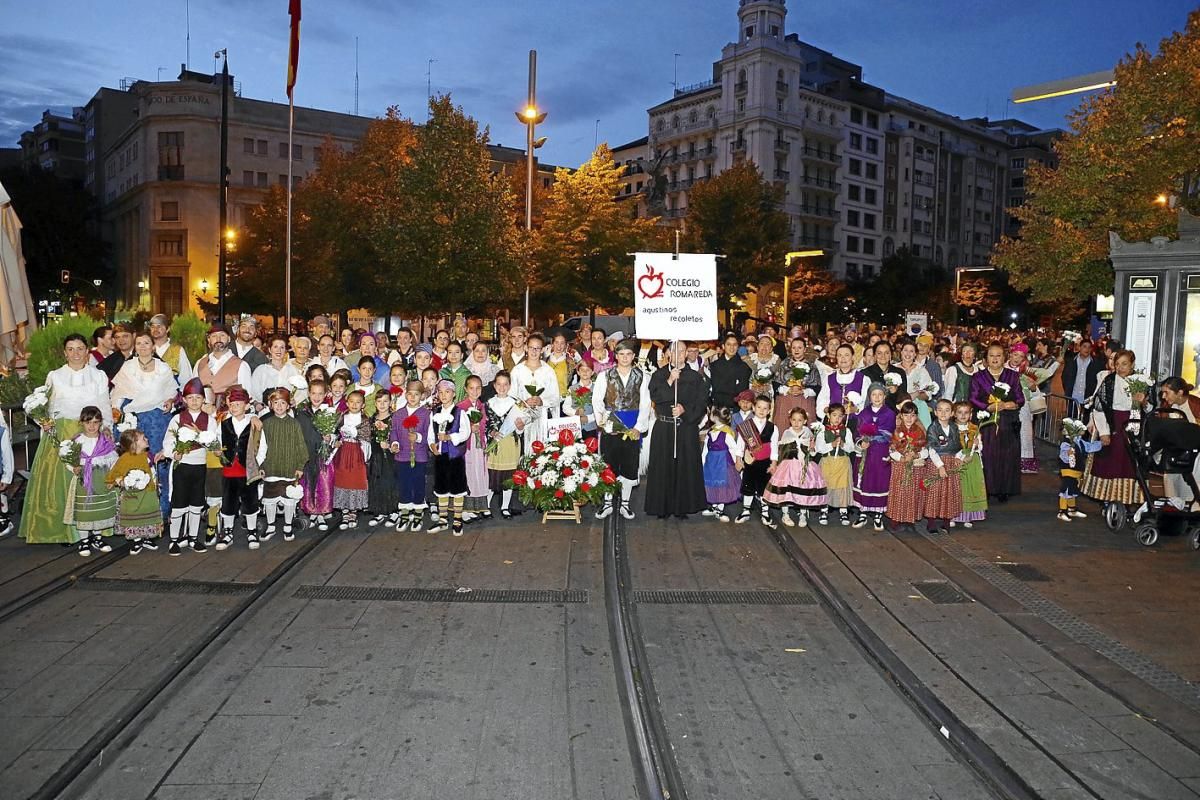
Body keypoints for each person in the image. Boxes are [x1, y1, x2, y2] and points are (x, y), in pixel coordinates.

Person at [20, 333, 113, 546]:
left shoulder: (98, 375)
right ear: (64, 352)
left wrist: (106, 429)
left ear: (87, 351)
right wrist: (43, 422)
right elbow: (47, 406)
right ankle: (66, 532)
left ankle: (95, 531)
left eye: (80, 348)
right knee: (62, 482)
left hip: (91, 431)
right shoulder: (55, 376)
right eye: (71, 349)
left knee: (91, 481)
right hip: (63, 434)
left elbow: (104, 403)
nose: (76, 353)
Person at [110, 331, 180, 519]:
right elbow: (118, 393)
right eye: (139, 343)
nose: (142, 346)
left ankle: (161, 510)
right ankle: (134, 512)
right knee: (134, 462)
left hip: (157, 422)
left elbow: (171, 392)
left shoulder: (163, 368)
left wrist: (170, 401)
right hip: (134, 421)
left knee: (158, 462)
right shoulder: (128, 367)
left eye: (146, 343)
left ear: (153, 346)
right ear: (135, 346)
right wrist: (116, 410)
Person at [643, 341, 708, 518]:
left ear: (687, 353)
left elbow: (702, 403)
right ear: (668, 354)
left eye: (682, 350)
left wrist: (684, 410)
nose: (678, 353)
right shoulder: (659, 375)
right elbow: (656, 396)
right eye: (674, 350)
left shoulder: (695, 377)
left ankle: (682, 507)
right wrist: (670, 380)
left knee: (684, 468)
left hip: (686, 427)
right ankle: (662, 507)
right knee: (662, 467)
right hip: (664, 427)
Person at [593, 339, 651, 519]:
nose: (625, 358)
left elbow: (645, 404)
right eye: (621, 354)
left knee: (628, 464)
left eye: (628, 354)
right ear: (615, 356)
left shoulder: (642, 376)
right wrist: (602, 422)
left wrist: (638, 428)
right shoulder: (605, 376)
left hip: (632, 424)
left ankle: (625, 504)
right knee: (609, 464)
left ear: (633, 356)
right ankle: (608, 502)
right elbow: (597, 400)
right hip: (611, 423)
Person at [162, 377, 219, 555]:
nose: (195, 401)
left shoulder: (209, 420)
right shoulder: (177, 419)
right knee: (179, 503)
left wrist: (202, 436)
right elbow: (169, 439)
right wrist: (173, 452)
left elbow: (214, 441)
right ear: (184, 400)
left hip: (199, 464)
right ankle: (174, 540)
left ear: (204, 400)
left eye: (198, 398)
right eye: (191, 398)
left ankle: (194, 538)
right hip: (182, 465)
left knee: (196, 503)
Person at [1080, 349, 1143, 507]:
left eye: (1124, 364)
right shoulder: (1108, 381)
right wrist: (1104, 432)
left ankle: (1127, 499)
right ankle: (1108, 499)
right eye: (1117, 364)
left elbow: (1150, 407)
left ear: (1132, 364)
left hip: (1133, 425)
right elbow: (1099, 407)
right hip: (1113, 422)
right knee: (1111, 462)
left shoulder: (1140, 381)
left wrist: (1144, 402)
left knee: (1129, 463)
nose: (1121, 367)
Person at [970, 344, 1025, 502]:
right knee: (987, 455)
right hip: (987, 421)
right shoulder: (978, 377)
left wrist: (1009, 404)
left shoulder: (1012, 376)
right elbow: (973, 398)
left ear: (1004, 358)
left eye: (998, 355)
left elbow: (1020, 398)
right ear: (986, 358)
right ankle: (986, 489)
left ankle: (1004, 489)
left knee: (1007, 455)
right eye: (991, 355)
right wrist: (989, 407)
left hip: (1008, 421)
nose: (995, 359)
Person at [64, 405, 120, 556]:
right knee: (84, 511)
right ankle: (84, 541)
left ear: (100, 423)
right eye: (88, 422)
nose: (92, 426)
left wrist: (113, 477)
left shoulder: (104, 441)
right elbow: (67, 458)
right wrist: (73, 468)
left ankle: (97, 537)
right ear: (81, 422)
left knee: (99, 509)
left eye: (96, 422)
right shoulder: (76, 441)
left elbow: (113, 459)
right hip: (83, 480)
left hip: (101, 478)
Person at [258, 387, 308, 541]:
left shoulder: (294, 424)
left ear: (288, 405)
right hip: (271, 468)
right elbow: (262, 447)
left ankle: (287, 525)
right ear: (270, 405)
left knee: (289, 499)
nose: (279, 406)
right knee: (270, 500)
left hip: (289, 467)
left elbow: (301, 445)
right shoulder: (266, 424)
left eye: (282, 403)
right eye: (275, 403)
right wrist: (260, 466)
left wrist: (300, 466)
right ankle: (271, 526)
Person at [217, 385, 263, 549]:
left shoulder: (254, 423)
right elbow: (218, 441)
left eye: (237, 404)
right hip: (229, 469)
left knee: (250, 501)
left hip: (247, 470)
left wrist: (257, 463)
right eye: (231, 404)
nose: (234, 407)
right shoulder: (223, 423)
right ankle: (227, 532)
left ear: (246, 405)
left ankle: (252, 531)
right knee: (228, 502)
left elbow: (261, 445)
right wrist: (218, 453)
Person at [764, 407, 826, 527]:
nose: (796, 423)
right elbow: (782, 450)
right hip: (789, 467)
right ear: (790, 420)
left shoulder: (808, 433)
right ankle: (785, 513)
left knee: (803, 489)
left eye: (799, 420)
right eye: (794, 420)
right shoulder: (787, 433)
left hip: (804, 466)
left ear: (805, 421)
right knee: (787, 490)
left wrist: (812, 447)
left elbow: (812, 453)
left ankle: (803, 513)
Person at [105, 428, 161, 553]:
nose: (146, 439)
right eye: (143, 438)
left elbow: (152, 469)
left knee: (147, 512)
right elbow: (115, 472)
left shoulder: (147, 456)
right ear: (134, 444)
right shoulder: (124, 459)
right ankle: (137, 540)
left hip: (147, 493)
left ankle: (146, 537)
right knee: (134, 516)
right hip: (132, 495)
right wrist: (116, 481)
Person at [428, 379, 471, 535]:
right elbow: (430, 433)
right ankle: (443, 519)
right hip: (440, 457)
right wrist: (432, 445)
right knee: (441, 486)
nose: (443, 395)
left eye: (447, 392)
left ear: (453, 394)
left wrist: (450, 437)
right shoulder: (434, 413)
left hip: (455, 457)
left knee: (457, 486)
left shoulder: (460, 413)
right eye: (440, 392)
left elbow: (465, 433)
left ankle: (458, 519)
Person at [851, 382, 895, 531]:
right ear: (869, 397)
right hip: (866, 453)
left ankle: (878, 515)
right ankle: (862, 512)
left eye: (880, 394)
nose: (877, 397)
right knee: (863, 480)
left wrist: (874, 435)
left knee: (879, 480)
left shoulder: (889, 414)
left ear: (884, 397)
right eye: (874, 394)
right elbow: (857, 432)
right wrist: (862, 442)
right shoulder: (864, 413)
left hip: (880, 452)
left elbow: (889, 434)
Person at [510, 333, 561, 455]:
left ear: (542, 350)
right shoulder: (517, 370)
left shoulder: (548, 371)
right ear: (526, 348)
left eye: (537, 348)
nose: (534, 351)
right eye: (531, 347)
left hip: (542, 418)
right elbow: (511, 396)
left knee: (542, 454)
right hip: (523, 418)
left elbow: (555, 397)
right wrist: (523, 403)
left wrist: (542, 401)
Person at [734, 395, 779, 528]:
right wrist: (738, 460)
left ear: (769, 411)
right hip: (750, 461)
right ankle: (746, 510)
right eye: (759, 407)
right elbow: (740, 445)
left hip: (765, 462)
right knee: (748, 485)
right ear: (753, 407)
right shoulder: (745, 426)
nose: (761, 410)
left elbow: (775, 446)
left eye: (765, 408)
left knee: (764, 488)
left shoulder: (773, 427)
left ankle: (765, 512)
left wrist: (774, 463)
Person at [485, 371, 525, 519]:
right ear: (494, 386)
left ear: (509, 386)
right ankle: (486, 506)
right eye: (499, 384)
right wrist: (491, 432)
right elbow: (485, 424)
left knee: (509, 477)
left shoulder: (516, 404)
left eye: (505, 384)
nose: (502, 387)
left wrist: (520, 426)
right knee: (492, 476)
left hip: (511, 444)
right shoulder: (488, 403)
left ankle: (505, 507)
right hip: (495, 446)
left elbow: (521, 430)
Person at [297, 380, 337, 531]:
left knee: (322, 484)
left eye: (320, 393)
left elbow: (337, 433)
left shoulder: (329, 412)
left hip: (323, 456)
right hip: (307, 453)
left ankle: (320, 513)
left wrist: (330, 438)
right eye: (313, 393)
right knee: (308, 484)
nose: (316, 396)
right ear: (308, 393)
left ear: (326, 394)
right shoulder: (302, 412)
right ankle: (311, 512)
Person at [923, 399, 963, 534]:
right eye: (940, 410)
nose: (943, 413)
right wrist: (940, 466)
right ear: (935, 412)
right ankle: (931, 522)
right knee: (935, 492)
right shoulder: (933, 428)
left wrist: (958, 458)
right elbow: (931, 449)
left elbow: (959, 446)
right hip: (936, 463)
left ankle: (946, 521)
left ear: (952, 413)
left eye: (947, 410)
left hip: (951, 462)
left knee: (949, 492)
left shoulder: (954, 427)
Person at [885, 401, 927, 531]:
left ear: (916, 417)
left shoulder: (920, 431)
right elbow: (892, 450)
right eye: (906, 415)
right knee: (899, 492)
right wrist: (902, 457)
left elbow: (926, 449)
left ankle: (910, 519)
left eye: (913, 415)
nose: (909, 418)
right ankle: (896, 518)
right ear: (901, 416)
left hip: (915, 466)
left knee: (912, 493)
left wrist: (916, 455)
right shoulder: (897, 431)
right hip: (900, 466)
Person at [333, 390, 372, 529]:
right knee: (342, 479)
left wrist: (357, 434)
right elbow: (334, 432)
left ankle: (353, 512)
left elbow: (367, 435)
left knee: (356, 480)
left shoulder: (365, 420)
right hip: (343, 452)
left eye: (358, 402)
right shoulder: (342, 417)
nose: (354, 404)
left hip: (357, 453)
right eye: (352, 401)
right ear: (347, 403)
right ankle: (344, 513)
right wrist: (335, 441)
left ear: (363, 405)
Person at [194, 325, 253, 412]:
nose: (218, 339)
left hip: (228, 419)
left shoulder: (241, 365)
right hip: (203, 417)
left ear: (229, 339)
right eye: (214, 336)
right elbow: (193, 393)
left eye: (222, 335)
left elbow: (247, 399)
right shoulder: (200, 363)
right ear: (209, 340)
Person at [815, 403, 855, 526]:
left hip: (842, 462)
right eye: (834, 415)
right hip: (827, 461)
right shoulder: (822, 431)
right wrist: (831, 445)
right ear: (828, 415)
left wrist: (843, 444)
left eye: (840, 416)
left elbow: (851, 448)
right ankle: (824, 509)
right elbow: (819, 448)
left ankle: (843, 511)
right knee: (826, 485)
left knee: (842, 487)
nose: (837, 418)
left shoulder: (846, 430)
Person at [457, 376, 491, 522]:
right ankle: (465, 509)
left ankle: (477, 507)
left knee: (479, 473)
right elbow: (456, 427)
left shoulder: (482, 406)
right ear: (466, 389)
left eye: (478, 388)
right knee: (467, 473)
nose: (475, 391)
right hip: (467, 446)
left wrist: (480, 428)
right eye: (471, 388)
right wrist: (469, 428)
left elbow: (485, 424)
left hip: (479, 445)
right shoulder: (460, 406)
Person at [701, 405, 743, 521]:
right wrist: (703, 461)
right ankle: (714, 506)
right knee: (713, 484)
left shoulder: (726, 433)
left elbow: (733, 448)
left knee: (723, 486)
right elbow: (705, 449)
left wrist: (736, 462)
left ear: (714, 416)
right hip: (711, 463)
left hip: (723, 464)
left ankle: (720, 508)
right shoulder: (711, 431)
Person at [951, 401, 987, 529]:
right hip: (958, 459)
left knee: (971, 487)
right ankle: (953, 515)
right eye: (960, 412)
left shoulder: (974, 428)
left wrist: (977, 444)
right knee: (958, 487)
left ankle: (968, 516)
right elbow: (951, 446)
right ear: (954, 414)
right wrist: (960, 456)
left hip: (972, 462)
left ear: (971, 415)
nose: (963, 415)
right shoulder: (952, 428)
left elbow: (980, 448)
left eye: (966, 413)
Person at [1058, 418, 1101, 522]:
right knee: (1066, 490)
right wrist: (1068, 454)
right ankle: (1062, 511)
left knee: (1072, 490)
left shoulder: (1080, 442)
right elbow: (1063, 455)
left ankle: (1071, 509)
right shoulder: (1066, 443)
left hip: (1077, 472)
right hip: (1068, 471)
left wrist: (1101, 444)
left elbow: (1089, 447)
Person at [774, 338, 820, 429]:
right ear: (790, 349)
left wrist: (803, 391)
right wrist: (788, 390)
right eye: (794, 348)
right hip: (785, 401)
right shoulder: (783, 364)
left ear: (805, 349)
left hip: (805, 401)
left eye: (799, 347)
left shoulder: (811, 366)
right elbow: (776, 384)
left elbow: (817, 387)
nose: (796, 350)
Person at [816, 344, 867, 421]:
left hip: (855, 422)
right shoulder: (829, 378)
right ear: (836, 358)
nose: (843, 358)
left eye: (846, 355)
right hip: (832, 424)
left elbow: (866, 402)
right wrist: (828, 410)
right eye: (839, 355)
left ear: (853, 357)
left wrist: (855, 409)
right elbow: (822, 400)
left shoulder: (863, 379)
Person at [251, 336, 302, 411]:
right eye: (275, 347)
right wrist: (257, 404)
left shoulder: (292, 370)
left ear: (285, 351)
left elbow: (300, 392)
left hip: (288, 413)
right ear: (270, 350)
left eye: (282, 347)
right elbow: (254, 393)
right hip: (266, 412)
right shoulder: (261, 370)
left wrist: (295, 401)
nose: (279, 350)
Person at [709, 333, 751, 411]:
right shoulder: (714, 365)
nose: (732, 347)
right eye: (728, 344)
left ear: (738, 347)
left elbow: (742, 390)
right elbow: (715, 387)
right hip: (717, 407)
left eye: (735, 345)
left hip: (735, 408)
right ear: (723, 346)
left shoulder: (744, 367)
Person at [148, 313, 193, 382]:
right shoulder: (146, 349)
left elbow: (186, 378)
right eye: (153, 326)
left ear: (168, 329)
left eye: (159, 326)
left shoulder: (177, 350)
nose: (155, 329)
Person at [1061, 338, 1103, 409]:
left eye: (1089, 347)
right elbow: (1064, 376)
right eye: (1084, 346)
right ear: (1079, 347)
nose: (1087, 349)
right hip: (1072, 398)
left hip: (1088, 400)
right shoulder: (1071, 361)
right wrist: (1068, 390)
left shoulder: (1096, 363)